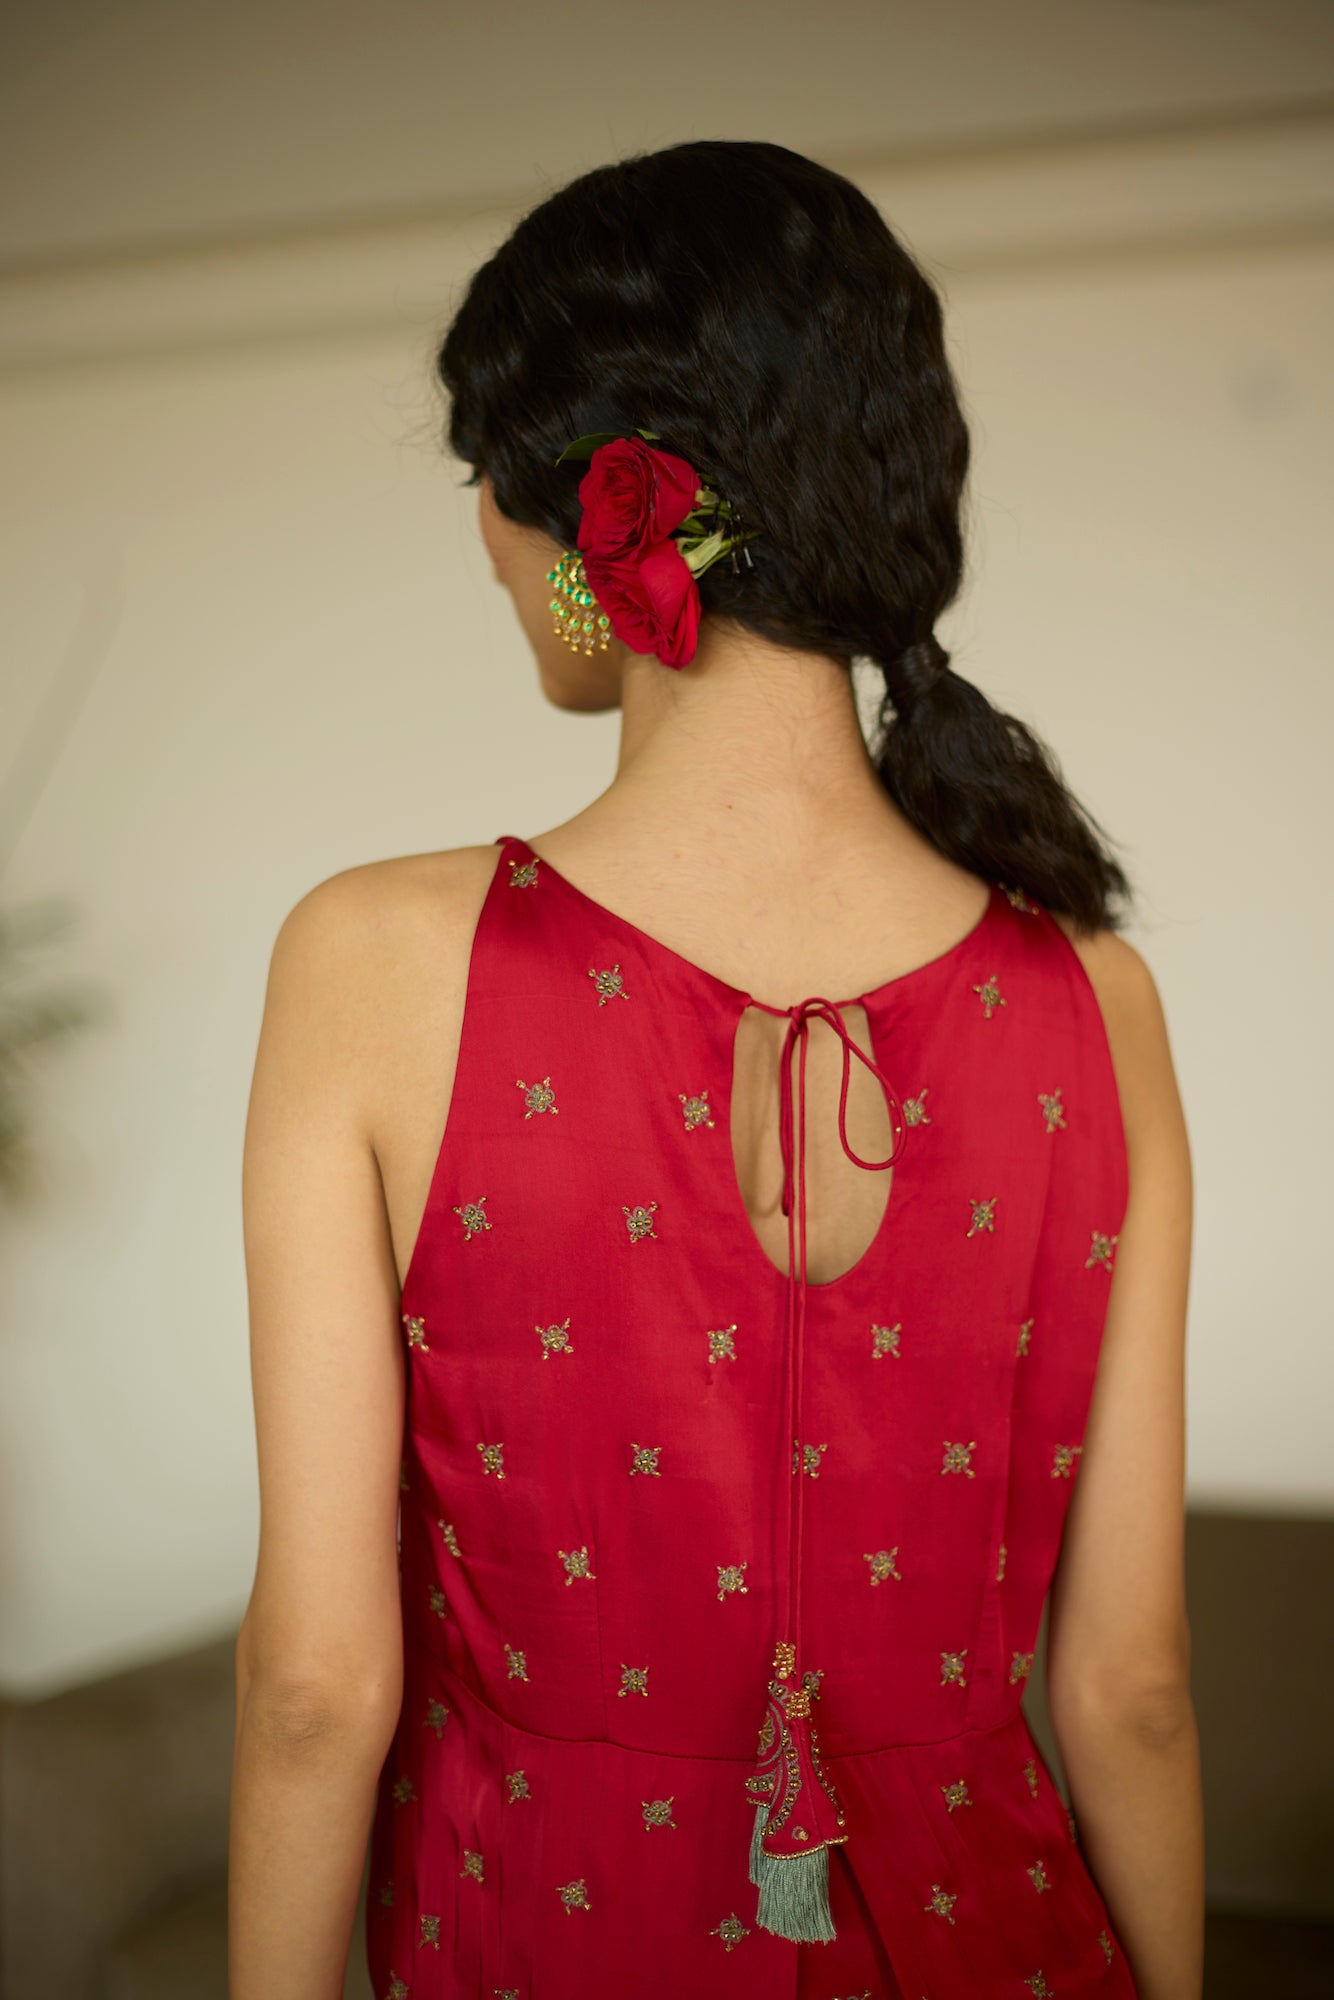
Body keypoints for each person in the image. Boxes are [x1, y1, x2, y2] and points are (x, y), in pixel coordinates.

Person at [228, 140, 1202, 2000]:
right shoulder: (1097, 995)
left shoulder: (372, 959)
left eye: (481, 476)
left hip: (547, 1936)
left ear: (585, 518)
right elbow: (1134, 1690)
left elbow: (313, 1692)